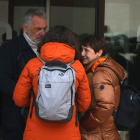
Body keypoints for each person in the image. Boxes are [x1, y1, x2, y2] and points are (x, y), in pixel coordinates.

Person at [12, 25, 91, 140]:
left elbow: (19, 100)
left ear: (46, 41)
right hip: (68, 134)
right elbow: (84, 105)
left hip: (35, 133)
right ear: (72, 44)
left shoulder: (32, 65)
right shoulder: (77, 68)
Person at [0, 8, 47, 140]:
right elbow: (3, 81)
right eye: (38, 29)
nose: (42, 33)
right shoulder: (9, 48)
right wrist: (31, 95)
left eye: (44, 28)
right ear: (25, 28)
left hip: (41, 118)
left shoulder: (47, 49)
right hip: (16, 117)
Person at [79, 35, 126, 140]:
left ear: (99, 52)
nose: (82, 54)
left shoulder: (100, 73)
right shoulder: (98, 70)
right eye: (82, 49)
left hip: (98, 134)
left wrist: (84, 123)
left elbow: (105, 106)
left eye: (86, 50)